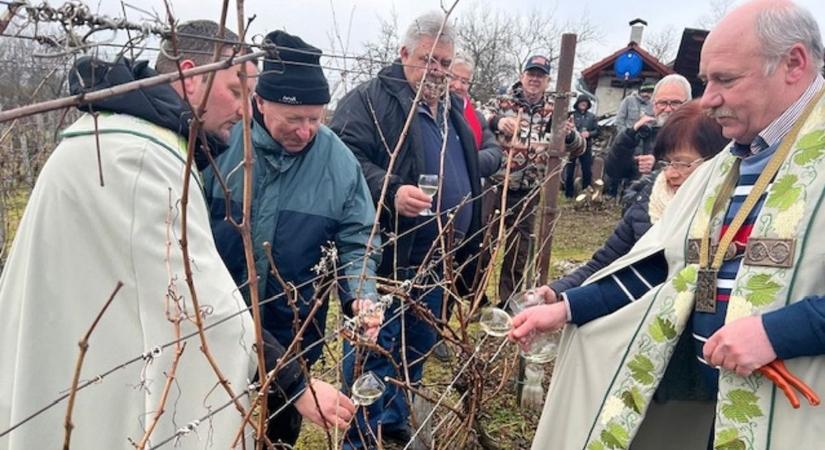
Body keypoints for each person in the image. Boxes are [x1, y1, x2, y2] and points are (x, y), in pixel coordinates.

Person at [511, 1, 825, 449]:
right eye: (706, 80)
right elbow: (662, 267)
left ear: (793, 62)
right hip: (710, 409)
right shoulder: (726, 168)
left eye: (725, 79)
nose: (709, 97)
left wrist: (776, 332)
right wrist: (565, 308)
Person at [0, 21, 262, 449]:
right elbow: (201, 305)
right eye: (237, 91)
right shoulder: (138, 156)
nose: (246, 111)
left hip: (77, 369)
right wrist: (291, 381)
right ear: (190, 76)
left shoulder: (112, 133)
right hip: (89, 381)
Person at [329, 11, 503, 448]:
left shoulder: (450, 111)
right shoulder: (369, 101)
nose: (438, 71)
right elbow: (344, 159)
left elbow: (474, 158)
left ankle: (394, 419)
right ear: (404, 53)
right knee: (374, 348)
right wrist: (390, 191)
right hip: (388, 253)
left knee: (417, 345)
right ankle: (361, 435)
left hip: (437, 258)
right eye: (429, 60)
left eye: (444, 63)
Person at [205, 30, 380, 446]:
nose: (306, 132)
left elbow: (359, 234)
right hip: (212, 330)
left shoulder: (337, 160)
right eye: (293, 119)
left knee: (277, 434)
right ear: (260, 103)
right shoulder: (219, 144)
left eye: (315, 119)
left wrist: (360, 291)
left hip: (293, 338)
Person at [552, 100, 728, 298]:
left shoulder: (727, 214)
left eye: (683, 163)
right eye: (667, 162)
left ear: (719, 161)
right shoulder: (649, 199)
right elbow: (606, 262)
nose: (671, 173)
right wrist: (557, 292)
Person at [486, 54, 584, 306]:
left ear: (547, 80)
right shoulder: (502, 101)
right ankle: (476, 299)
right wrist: (497, 121)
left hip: (529, 190)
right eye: (531, 74)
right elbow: (477, 119)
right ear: (522, 76)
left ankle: (508, 302)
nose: (534, 79)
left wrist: (569, 136)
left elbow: (579, 148)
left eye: (540, 75)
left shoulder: (558, 109)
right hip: (497, 185)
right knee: (484, 243)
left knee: (518, 251)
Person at [604, 74, 692, 197]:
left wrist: (657, 166)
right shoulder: (644, 132)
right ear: (654, 105)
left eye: (675, 103)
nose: (668, 109)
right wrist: (629, 135)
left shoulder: (698, 135)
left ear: (688, 104)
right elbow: (614, 170)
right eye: (662, 103)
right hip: (639, 208)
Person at [564, 94, 600, 198]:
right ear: (577, 104)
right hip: (572, 146)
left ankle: (586, 192)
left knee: (587, 170)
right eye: (581, 102)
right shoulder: (571, 115)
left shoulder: (592, 117)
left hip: (586, 146)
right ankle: (568, 194)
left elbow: (597, 131)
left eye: (585, 103)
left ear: (588, 105)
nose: (583, 104)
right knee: (569, 170)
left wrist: (589, 134)